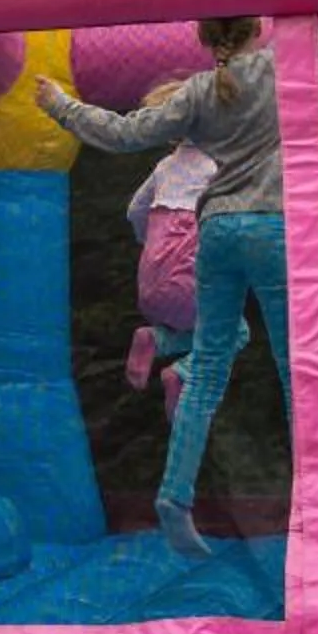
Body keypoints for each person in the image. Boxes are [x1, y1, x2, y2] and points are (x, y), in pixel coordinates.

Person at [36, 9, 318, 555]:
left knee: (207, 371)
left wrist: (60, 105)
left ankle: (174, 497)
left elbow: (123, 132)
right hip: (273, 230)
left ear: (206, 38)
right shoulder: (290, 65)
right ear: (260, 30)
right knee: (296, 373)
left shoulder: (198, 92)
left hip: (218, 233)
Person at [124, 90, 217, 416]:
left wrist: (148, 241)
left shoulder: (165, 167)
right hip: (186, 282)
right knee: (234, 332)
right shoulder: (214, 166)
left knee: (199, 329)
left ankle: (154, 338)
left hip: (150, 282)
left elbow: (134, 211)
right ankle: (182, 370)